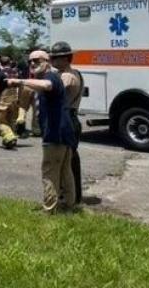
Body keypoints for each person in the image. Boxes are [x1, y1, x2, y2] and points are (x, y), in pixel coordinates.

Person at [7, 51, 77, 213]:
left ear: (47, 62)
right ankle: (68, 205)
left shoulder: (50, 77)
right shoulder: (50, 77)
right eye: (30, 61)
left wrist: (19, 81)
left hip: (55, 133)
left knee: (49, 171)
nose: (32, 63)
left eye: (37, 60)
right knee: (65, 171)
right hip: (64, 132)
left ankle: (49, 210)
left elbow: (47, 85)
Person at [50, 41, 84, 204]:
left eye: (55, 58)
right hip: (71, 118)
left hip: (66, 119)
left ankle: (69, 196)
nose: (52, 61)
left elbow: (52, 92)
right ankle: (74, 195)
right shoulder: (75, 73)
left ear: (65, 59)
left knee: (64, 160)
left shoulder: (66, 76)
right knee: (70, 158)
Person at [0, 60, 21, 149]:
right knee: (12, 120)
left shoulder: (0, 73)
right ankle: (12, 138)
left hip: (3, 100)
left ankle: (9, 136)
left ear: (0, 64)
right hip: (14, 98)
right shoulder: (16, 72)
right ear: (9, 63)